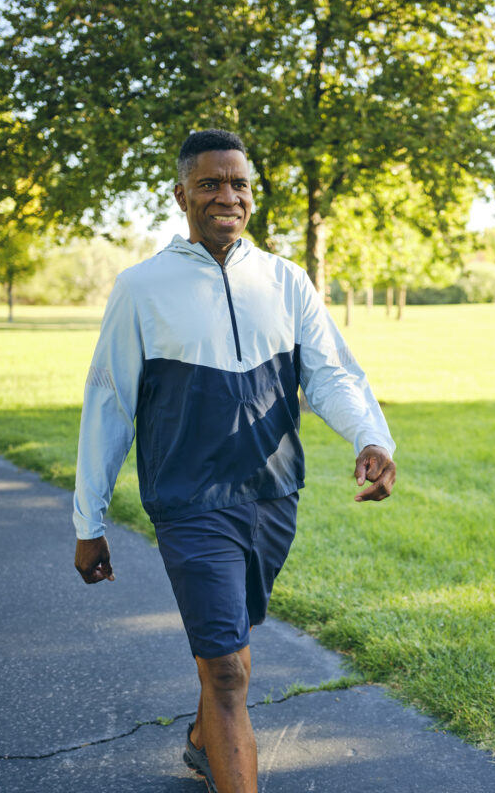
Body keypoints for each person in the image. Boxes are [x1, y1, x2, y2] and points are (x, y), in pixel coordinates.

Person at [71, 128, 396, 793]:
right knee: (226, 670)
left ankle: (201, 741)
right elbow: (109, 404)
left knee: (234, 644)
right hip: (189, 501)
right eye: (210, 183)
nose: (228, 195)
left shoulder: (285, 279)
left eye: (239, 183)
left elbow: (330, 374)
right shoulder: (141, 288)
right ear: (180, 194)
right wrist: (88, 521)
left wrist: (370, 438)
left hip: (274, 495)